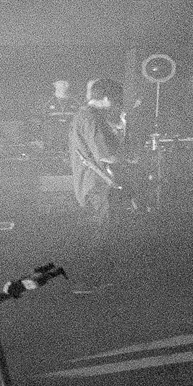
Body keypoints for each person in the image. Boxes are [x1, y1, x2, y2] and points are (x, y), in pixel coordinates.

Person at [68, 78, 127, 286]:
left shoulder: (83, 115)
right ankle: (90, 280)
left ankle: (96, 279)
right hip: (97, 185)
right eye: (117, 100)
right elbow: (105, 154)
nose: (117, 104)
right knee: (101, 233)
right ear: (107, 98)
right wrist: (127, 155)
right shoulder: (91, 118)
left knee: (97, 232)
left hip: (90, 184)